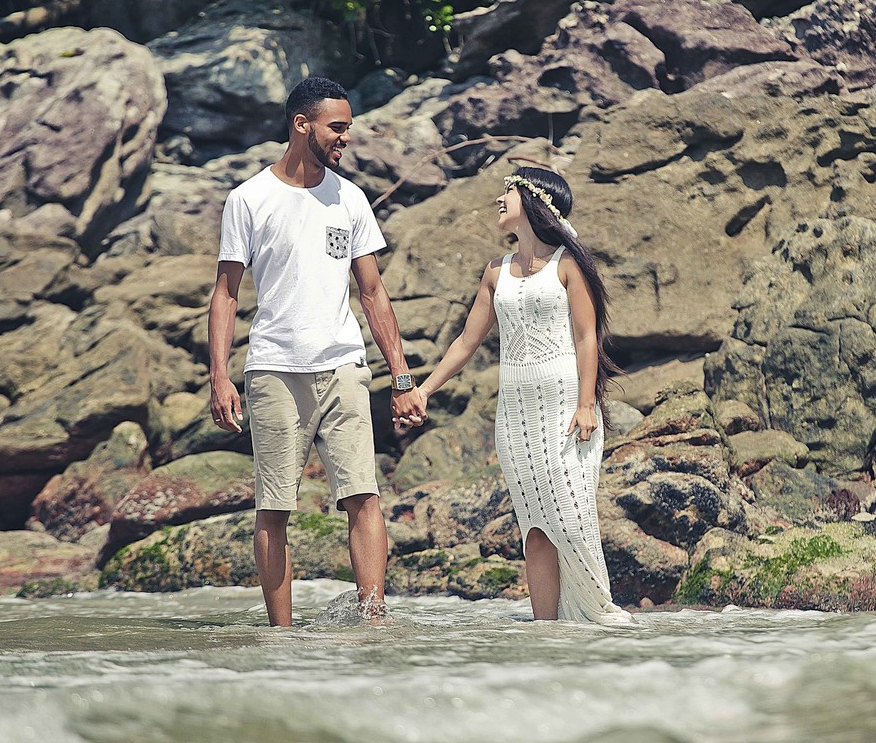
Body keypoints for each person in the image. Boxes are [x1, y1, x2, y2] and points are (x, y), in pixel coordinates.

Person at [208, 76, 425, 626]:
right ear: (301, 124)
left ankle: (373, 620)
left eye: (348, 127)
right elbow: (227, 293)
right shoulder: (249, 199)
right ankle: (281, 635)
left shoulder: (349, 198)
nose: (345, 138)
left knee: (364, 496)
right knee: (274, 506)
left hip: (344, 368)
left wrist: (400, 377)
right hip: (275, 371)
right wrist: (220, 376)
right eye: (337, 127)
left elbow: (372, 292)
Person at [411, 167, 633, 625]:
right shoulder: (495, 272)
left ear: (535, 202)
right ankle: (545, 632)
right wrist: (425, 389)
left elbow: (587, 337)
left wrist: (587, 403)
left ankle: (596, 613)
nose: (499, 199)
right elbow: (466, 343)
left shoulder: (569, 264)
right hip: (515, 419)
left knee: (573, 516)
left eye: (507, 191)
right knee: (535, 527)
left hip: (567, 411)